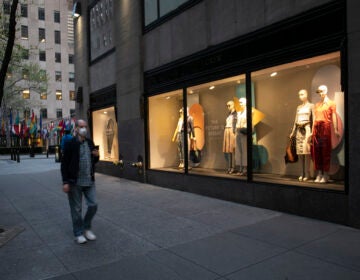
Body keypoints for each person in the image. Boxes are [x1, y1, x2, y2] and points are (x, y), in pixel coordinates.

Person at [61, 119, 99, 244]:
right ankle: (78, 233)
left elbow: (94, 160)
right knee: (76, 209)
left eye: (85, 127)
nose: (84, 129)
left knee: (93, 205)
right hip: (75, 182)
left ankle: (86, 227)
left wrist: (96, 155)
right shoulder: (71, 143)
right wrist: (65, 181)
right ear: (76, 128)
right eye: (81, 127)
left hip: (89, 180)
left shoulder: (89, 142)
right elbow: (64, 164)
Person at [311, 85, 339, 183]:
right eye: (319, 92)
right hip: (316, 128)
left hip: (325, 128)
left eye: (322, 91)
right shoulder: (317, 105)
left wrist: (335, 129)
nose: (320, 93)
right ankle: (319, 173)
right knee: (317, 151)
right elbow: (314, 118)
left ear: (326, 91)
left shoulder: (331, 103)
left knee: (325, 151)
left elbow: (334, 116)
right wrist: (311, 131)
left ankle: (326, 174)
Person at [289, 89, 314, 181]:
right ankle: (301, 172)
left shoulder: (311, 106)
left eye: (302, 94)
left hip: (307, 129)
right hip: (299, 130)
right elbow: (296, 120)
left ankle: (307, 173)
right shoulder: (298, 107)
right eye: (299, 94)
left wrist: (312, 131)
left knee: (306, 152)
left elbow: (313, 119)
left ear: (306, 94)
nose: (301, 96)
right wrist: (293, 132)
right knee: (300, 152)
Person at [223, 100, 237, 173]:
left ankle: (233, 167)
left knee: (232, 150)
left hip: (232, 131)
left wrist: (235, 132)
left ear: (233, 105)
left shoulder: (236, 114)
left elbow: (236, 124)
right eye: (227, 106)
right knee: (228, 150)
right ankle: (229, 167)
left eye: (229, 105)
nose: (228, 107)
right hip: (227, 130)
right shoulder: (229, 114)